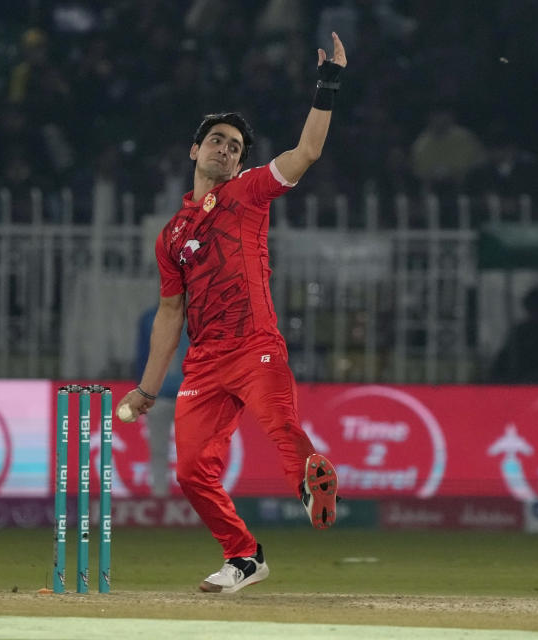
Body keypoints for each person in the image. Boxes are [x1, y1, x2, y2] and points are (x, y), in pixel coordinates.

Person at [117, 32, 346, 594]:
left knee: (282, 425)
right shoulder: (171, 235)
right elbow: (171, 313)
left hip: (255, 345)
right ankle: (244, 556)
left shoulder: (249, 192)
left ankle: (309, 483)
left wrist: (328, 85)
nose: (225, 150)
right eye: (216, 142)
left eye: (235, 147)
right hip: (205, 363)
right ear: (194, 151)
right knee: (192, 471)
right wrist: (147, 390)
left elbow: (307, 152)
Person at [135, 305, 188, 497]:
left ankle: (193, 496)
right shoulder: (149, 318)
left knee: (192, 452)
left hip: (189, 396)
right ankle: (160, 496)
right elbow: (142, 357)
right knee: (158, 449)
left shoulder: (200, 317)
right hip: (160, 395)